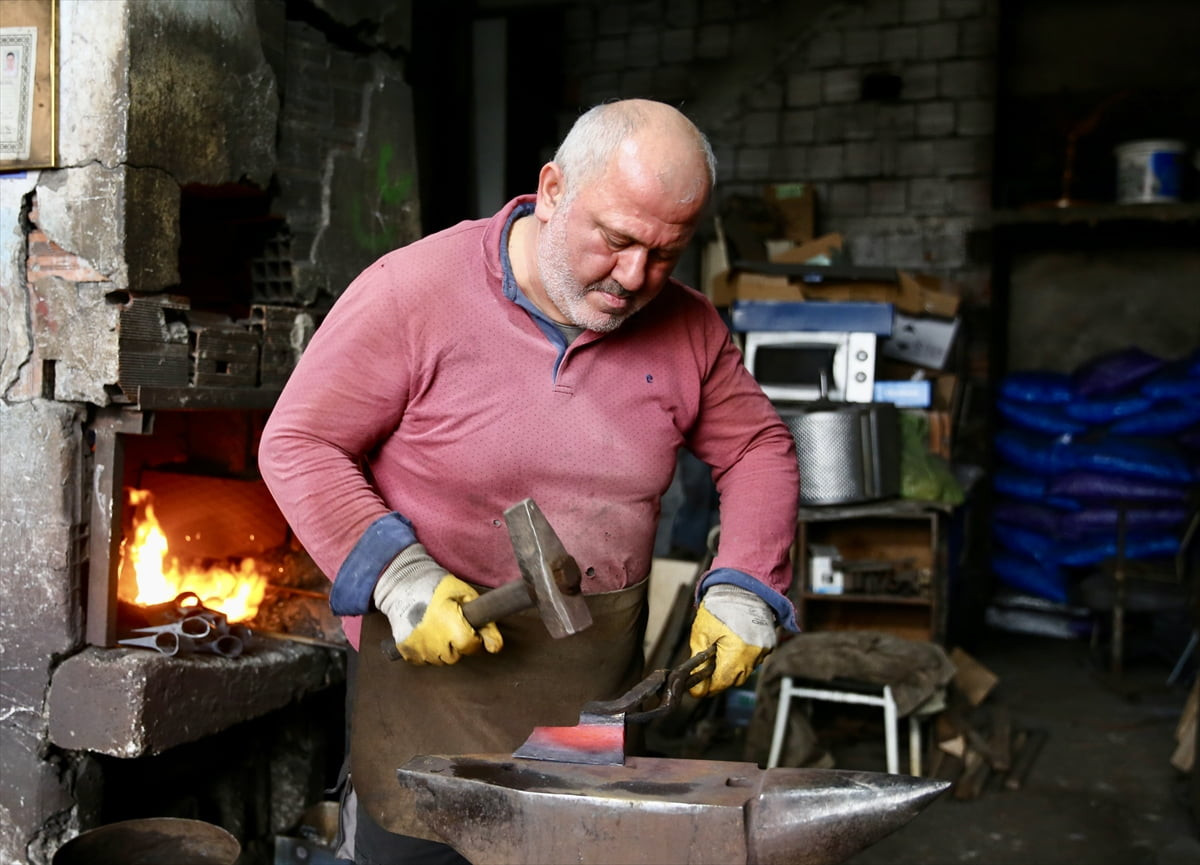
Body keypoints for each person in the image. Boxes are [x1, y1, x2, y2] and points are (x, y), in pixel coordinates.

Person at [259, 98, 800, 864]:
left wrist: (746, 581)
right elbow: (298, 440)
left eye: (665, 254)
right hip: (429, 693)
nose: (635, 276)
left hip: (588, 703)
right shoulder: (411, 292)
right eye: (615, 240)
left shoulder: (689, 328)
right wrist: (398, 574)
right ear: (552, 191)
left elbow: (758, 448)